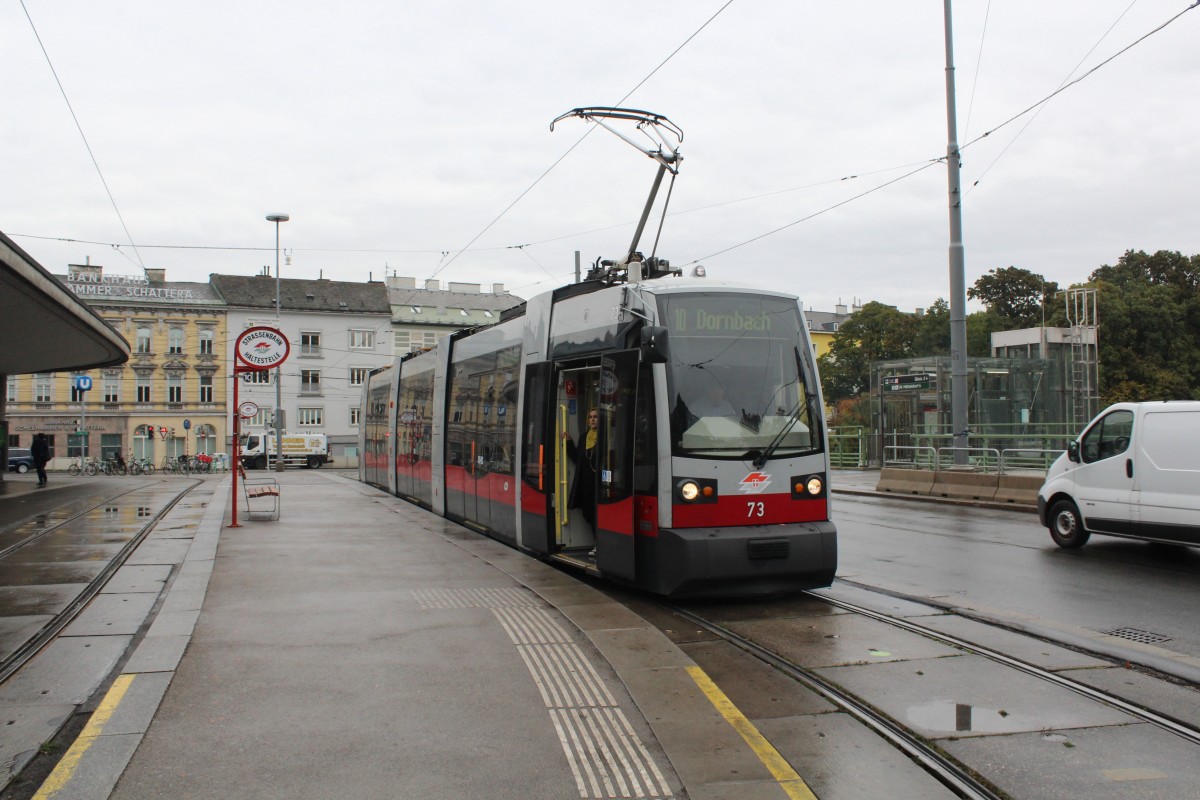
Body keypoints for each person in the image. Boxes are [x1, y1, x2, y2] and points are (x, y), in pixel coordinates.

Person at [563, 408, 601, 539]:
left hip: (599, 483)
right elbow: (577, 458)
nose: (592, 419)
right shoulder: (584, 437)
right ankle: (597, 543)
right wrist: (568, 441)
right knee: (589, 513)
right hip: (586, 483)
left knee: (599, 514)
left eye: (595, 417)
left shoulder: (605, 436)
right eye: (590, 417)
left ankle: (600, 544)